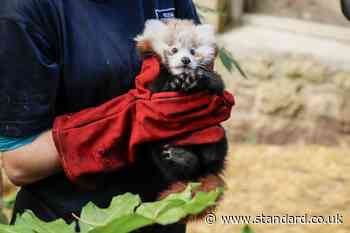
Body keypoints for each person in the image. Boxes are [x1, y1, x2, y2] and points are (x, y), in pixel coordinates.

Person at [0, 0, 200, 232]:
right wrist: (129, 122)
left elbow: (198, 66)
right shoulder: (26, 10)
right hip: (71, 220)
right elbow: (20, 163)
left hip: (159, 213)